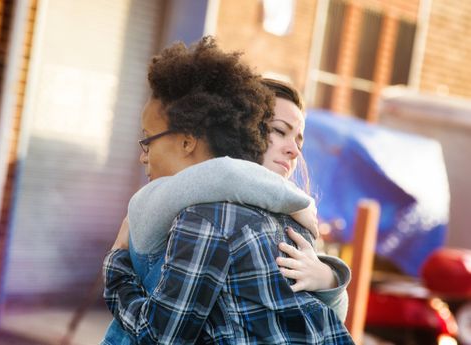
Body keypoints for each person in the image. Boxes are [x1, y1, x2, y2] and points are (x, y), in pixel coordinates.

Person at [102, 37, 353, 344]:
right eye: (278, 130)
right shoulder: (275, 207)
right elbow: (223, 173)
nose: (294, 151)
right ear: (245, 125)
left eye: (299, 139)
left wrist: (327, 278)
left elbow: (160, 336)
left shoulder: (228, 216)